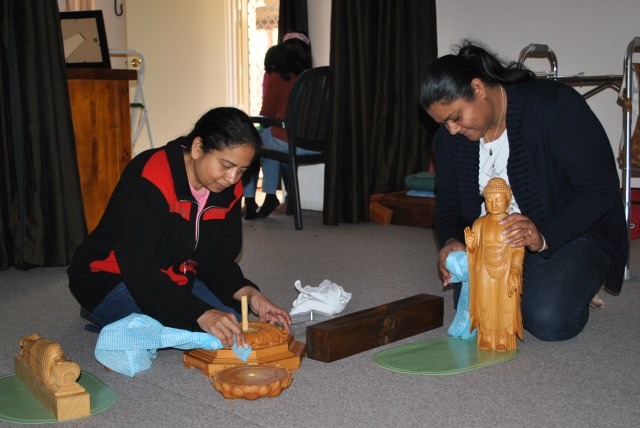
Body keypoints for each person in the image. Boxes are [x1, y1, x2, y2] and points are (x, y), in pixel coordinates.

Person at [419, 40, 628, 342]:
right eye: (443, 122)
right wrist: (452, 240)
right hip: (495, 244)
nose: (452, 130)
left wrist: (543, 235)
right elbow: (448, 204)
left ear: (478, 88)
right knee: (476, 311)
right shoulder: (450, 139)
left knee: (547, 316)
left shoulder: (554, 106)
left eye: (455, 117)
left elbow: (602, 188)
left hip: (570, 231)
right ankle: (557, 282)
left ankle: (575, 280)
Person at [68, 107, 291, 347]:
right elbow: (139, 268)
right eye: (226, 166)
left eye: (242, 171)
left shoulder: (229, 189)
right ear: (197, 148)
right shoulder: (150, 178)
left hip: (175, 276)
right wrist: (200, 314)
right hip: (111, 278)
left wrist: (249, 295)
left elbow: (217, 261)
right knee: (200, 332)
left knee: (233, 323)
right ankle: (98, 309)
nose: (232, 179)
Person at [243, 30, 317, 219]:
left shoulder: (279, 77)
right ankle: (269, 197)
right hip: (315, 145)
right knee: (268, 144)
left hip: (289, 141)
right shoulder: (315, 78)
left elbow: (266, 114)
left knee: (251, 143)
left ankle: (250, 201)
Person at [465, 177, 524, 351]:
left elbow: (518, 250)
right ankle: (487, 336)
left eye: (498, 199)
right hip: (484, 269)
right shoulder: (480, 223)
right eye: (489, 200)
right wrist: (471, 246)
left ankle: (503, 339)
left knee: (504, 305)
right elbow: (474, 249)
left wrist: (515, 270)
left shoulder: (513, 224)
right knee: (485, 305)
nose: (494, 203)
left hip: (505, 269)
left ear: (508, 200)